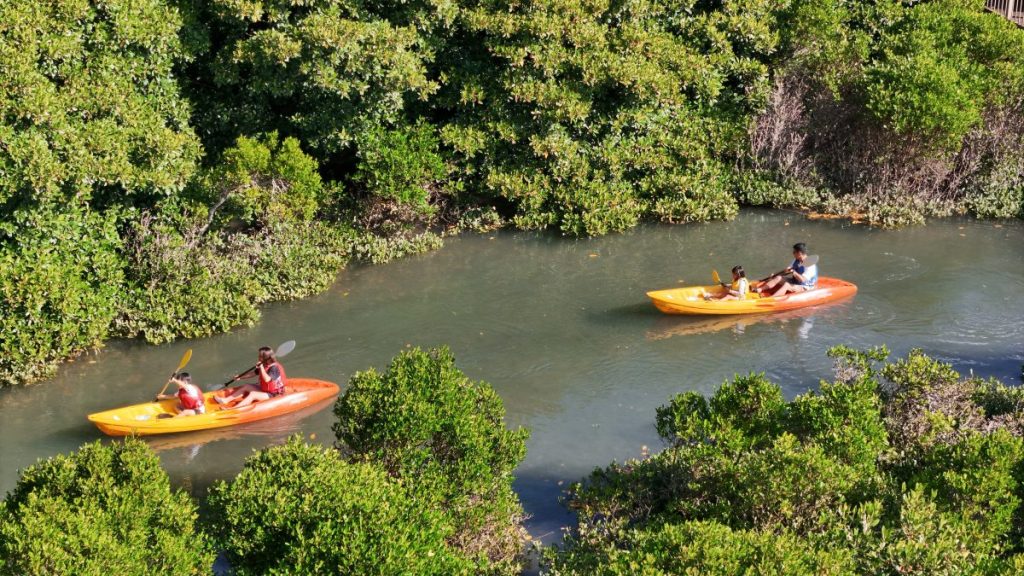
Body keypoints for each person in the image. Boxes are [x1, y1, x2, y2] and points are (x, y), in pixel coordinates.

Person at [215, 346, 287, 408]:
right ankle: (225, 400)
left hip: (274, 394)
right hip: (265, 390)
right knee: (246, 386)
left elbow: (267, 380)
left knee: (253, 394)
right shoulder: (265, 365)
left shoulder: (274, 368)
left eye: (260, 356)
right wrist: (241, 377)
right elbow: (254, 373)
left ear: (265, 358)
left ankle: (234, 409)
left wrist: (261, 367)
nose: (258, 357)